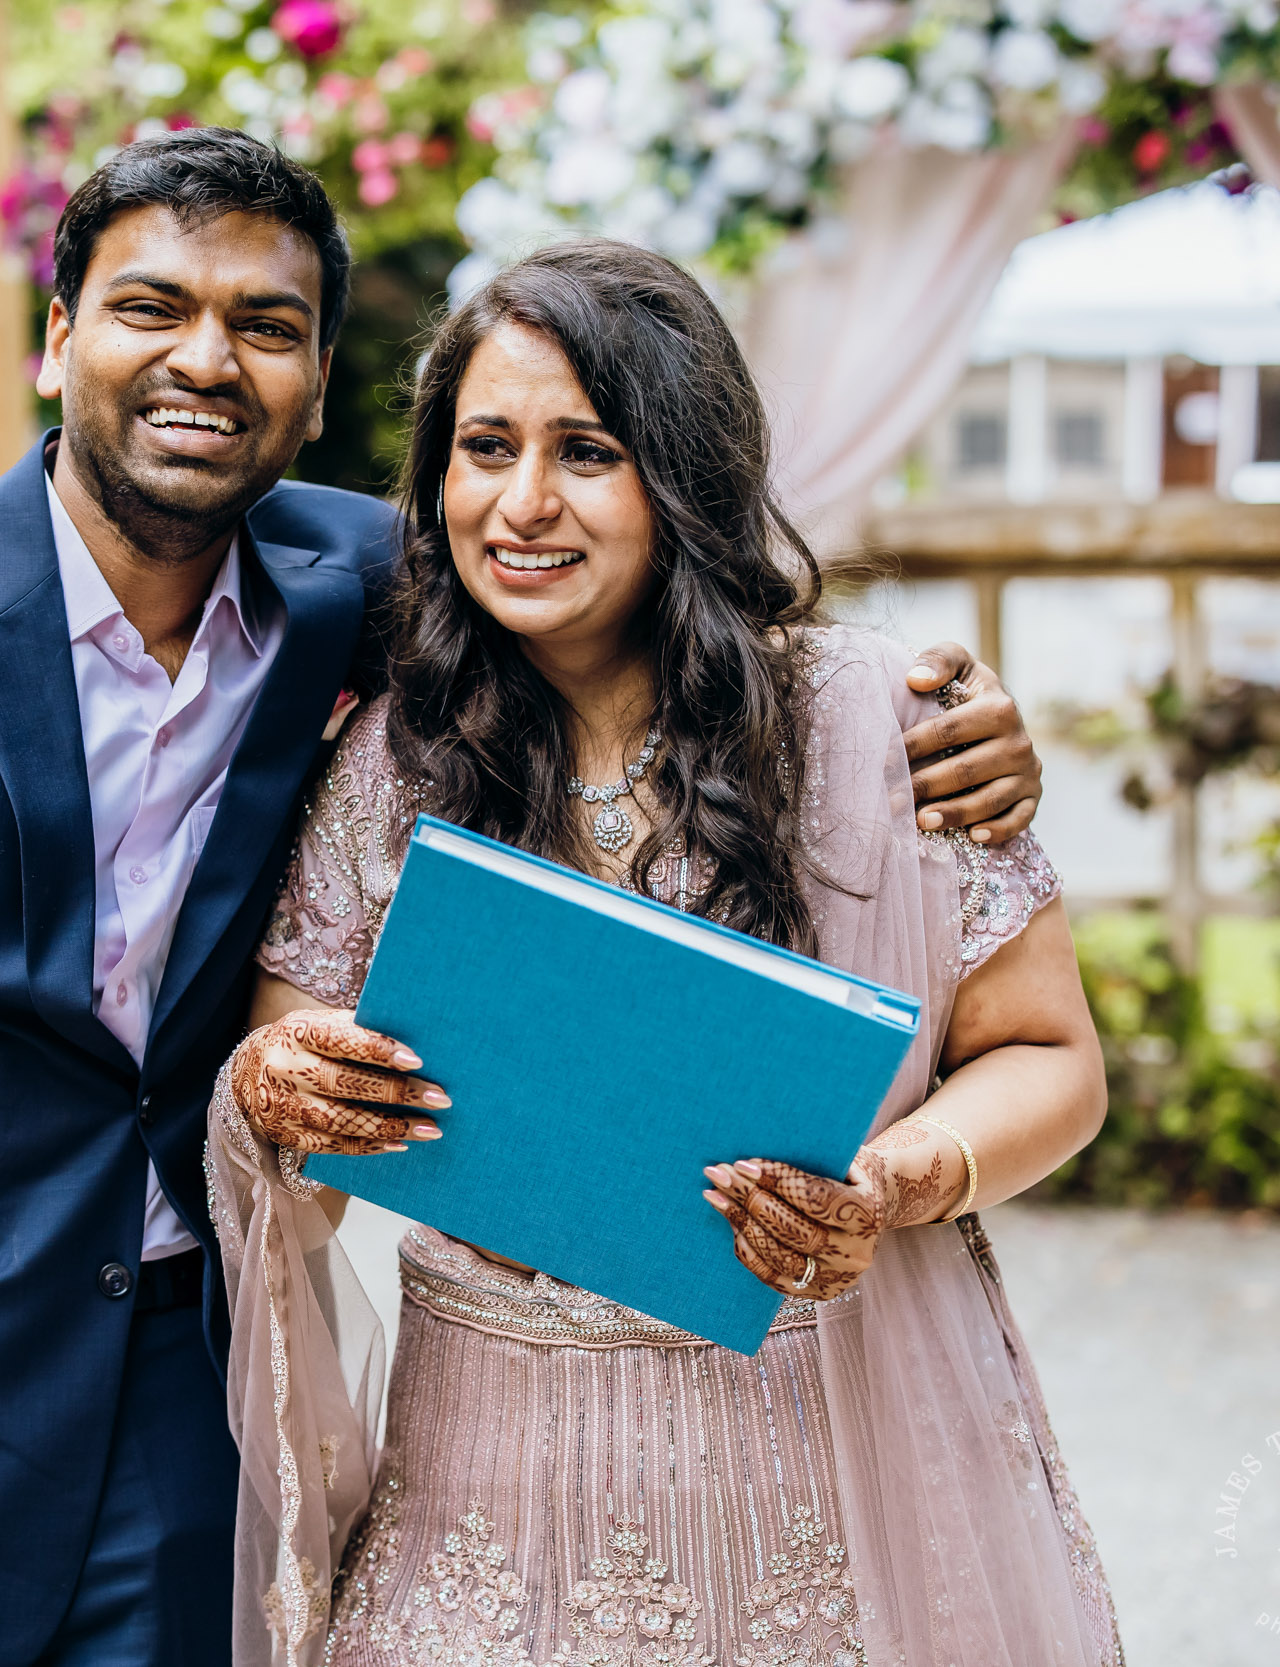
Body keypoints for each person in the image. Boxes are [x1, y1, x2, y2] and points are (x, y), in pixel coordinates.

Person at [0, 130, 1046, 1667]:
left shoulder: (378, 584)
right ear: (58, 336)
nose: (205, 358)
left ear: (318, 385)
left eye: (264, 324)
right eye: (150, 306)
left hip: (192, 1420)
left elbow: (621, 607)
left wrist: (951, 721)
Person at [214, 240, 1124, 1667]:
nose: (522, 502)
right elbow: (302, 1118)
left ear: (683, 473)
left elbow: (1048, 1054)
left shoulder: (878, 723)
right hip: (482, 1494)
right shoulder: (398, 755)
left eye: (586, 451)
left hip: (808, 1481)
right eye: (485, 448)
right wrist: (278, 1092)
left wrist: (892, 1181)